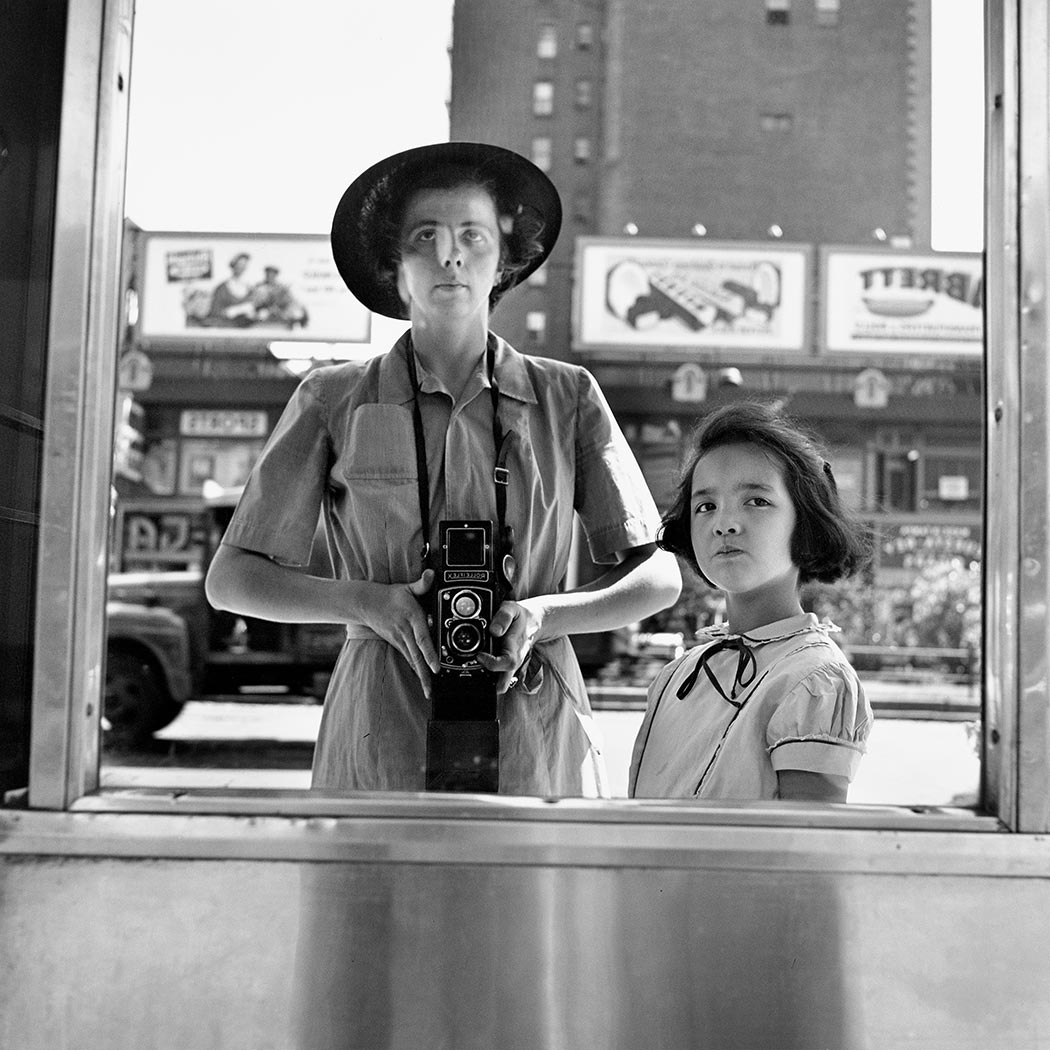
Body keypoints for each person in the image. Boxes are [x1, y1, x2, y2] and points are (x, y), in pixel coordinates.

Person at [205, 141, 681, 795]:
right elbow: (232, 580)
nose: (449, 254)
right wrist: (366, 603)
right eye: (425, 236)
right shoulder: (333, 397)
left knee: (531, 899)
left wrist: (543, 615)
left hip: (534, 728)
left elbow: (658, 576)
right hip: (380, 729)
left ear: (503, 259)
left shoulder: (567, 396)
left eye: (472, 235)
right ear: (395, 265)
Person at [628, 402, 874, 802]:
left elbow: (805, 849)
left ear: (806, 523)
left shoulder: (814, 681)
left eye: (756, 501)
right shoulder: (677, 675)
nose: (725, 522)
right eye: (705, 506)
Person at [207, 251, 256, 326]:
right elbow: (214, 311)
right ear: (233, 265)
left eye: (244, 265)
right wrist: (231, 311)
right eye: (239, 264)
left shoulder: (249, 288)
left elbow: (253, 308)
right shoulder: (221, 288)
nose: (241, 267)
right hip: (226, 327)